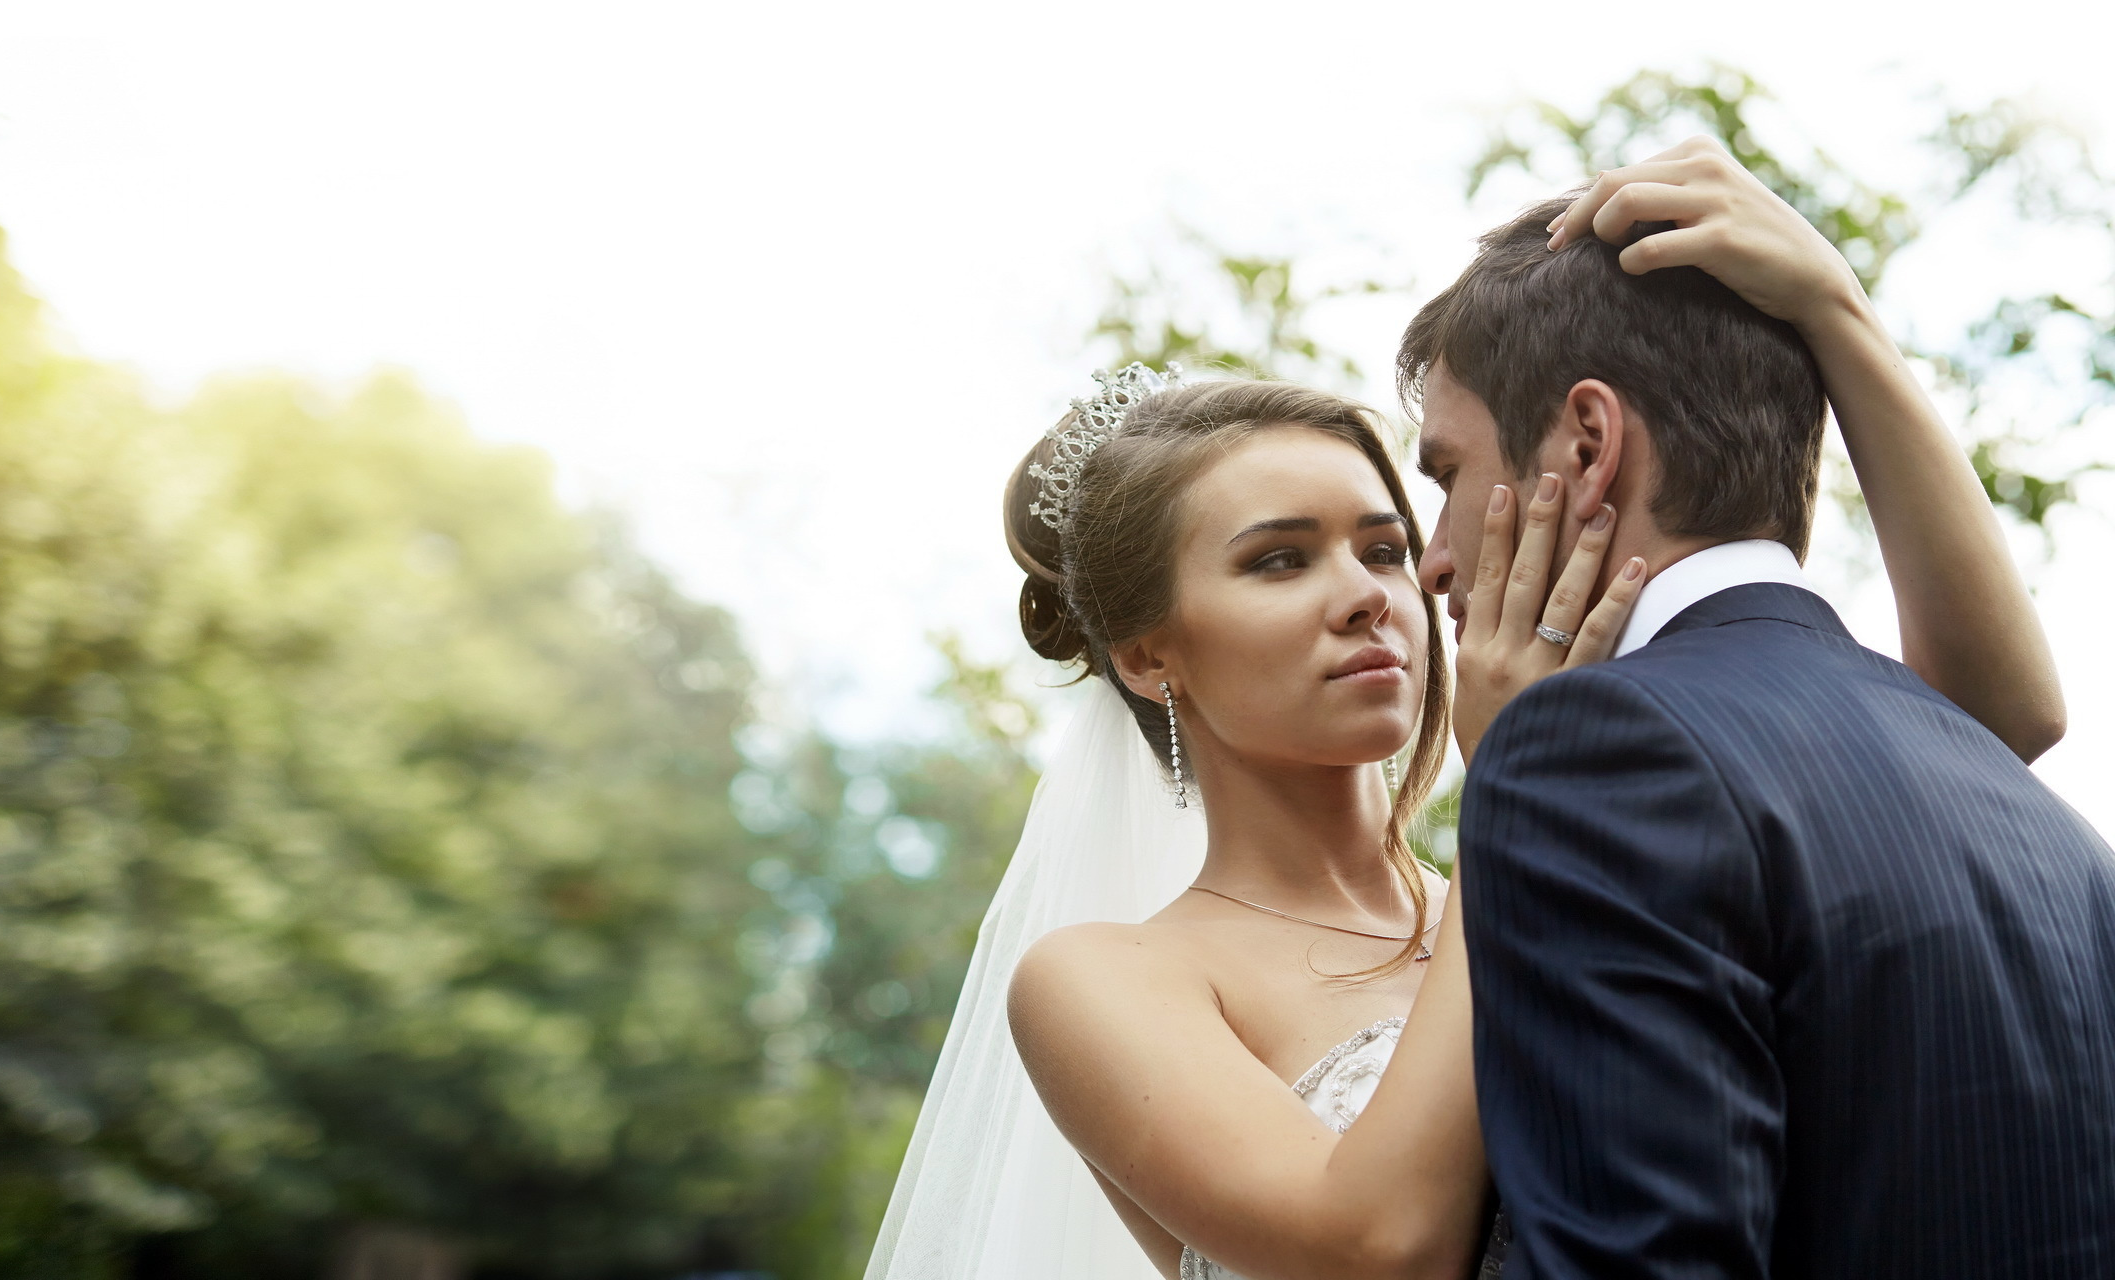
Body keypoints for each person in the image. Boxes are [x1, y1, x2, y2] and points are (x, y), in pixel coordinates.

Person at [861, 138, 2100, 1280]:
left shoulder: (1593, 849)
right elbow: (1376, 1241)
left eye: (1389, 544)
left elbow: (1969, 732)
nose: (1377, 594)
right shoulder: (1101, 978)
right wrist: (1512, 780)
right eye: (1279, 560)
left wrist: (1835, 318)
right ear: (1147, 655)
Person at [1421, 140, 2115, 1279]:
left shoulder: (1590, 756)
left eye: (1443, 473)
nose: (1436, 564)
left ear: (1584, 446)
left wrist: (1514, 780)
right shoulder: (2028, 811)